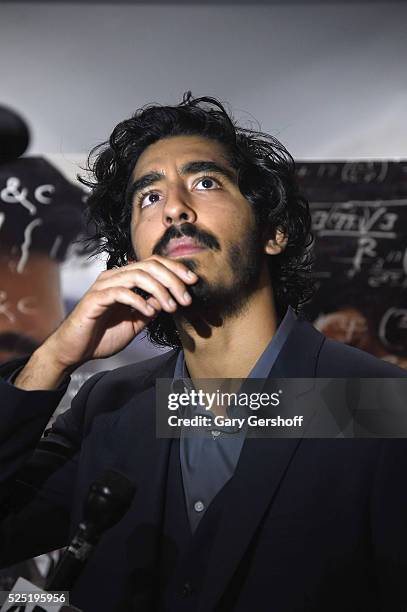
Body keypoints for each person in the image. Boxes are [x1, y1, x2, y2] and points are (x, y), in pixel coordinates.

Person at [0, 93, 406, 612]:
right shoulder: (109, 402)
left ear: (273, 232)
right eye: (148, 197)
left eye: (205, 182)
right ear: (131, 254)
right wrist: (52, 359)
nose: (173, 207)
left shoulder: (378, 403)